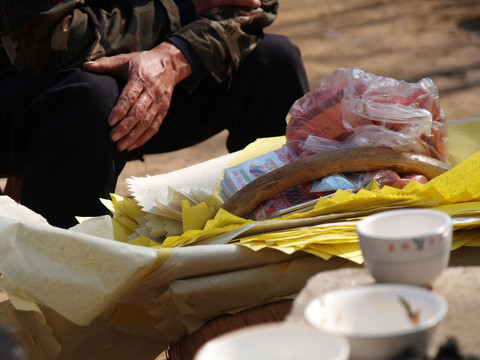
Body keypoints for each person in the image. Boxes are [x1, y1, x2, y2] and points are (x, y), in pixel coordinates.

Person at [0, 0, 309, 228]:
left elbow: (256, 6)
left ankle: (278, 240)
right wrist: (185, 9)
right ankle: (61, 283)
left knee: (274, 63)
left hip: (138, 66)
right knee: (92, 98)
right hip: (22, 83)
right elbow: (52, 39)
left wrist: (176, 55)